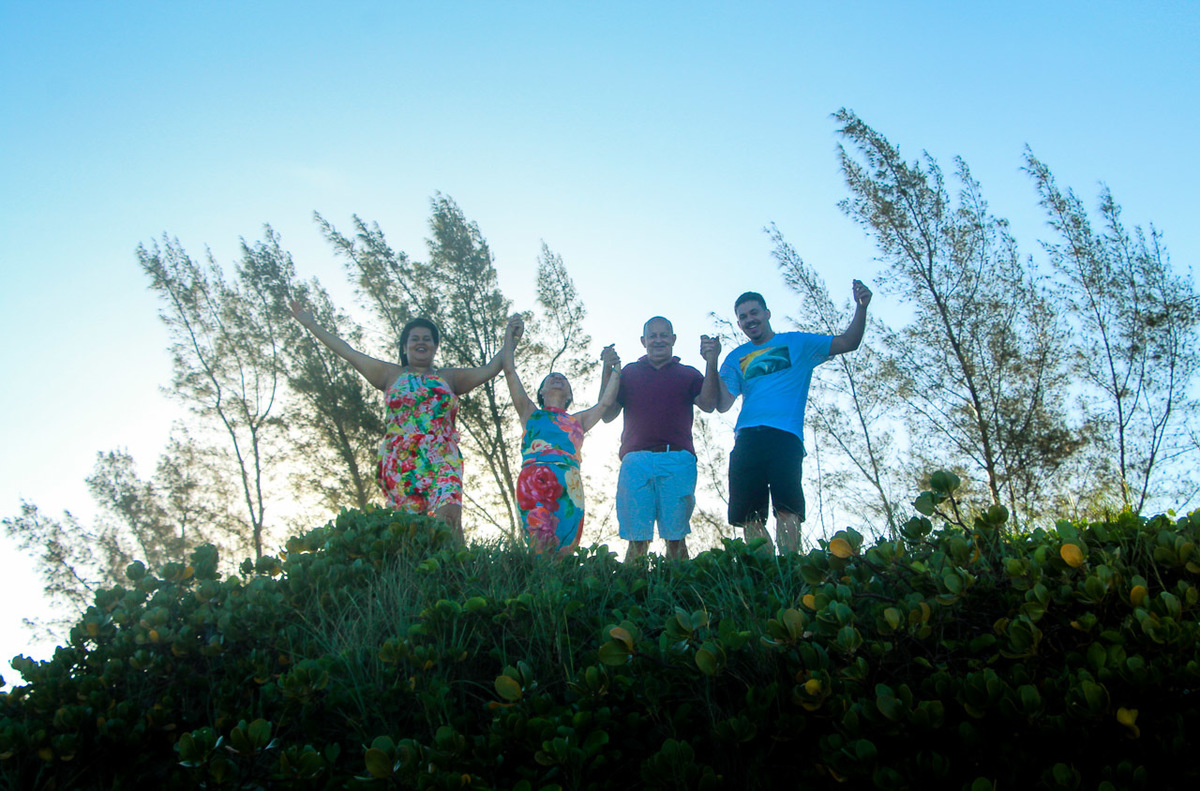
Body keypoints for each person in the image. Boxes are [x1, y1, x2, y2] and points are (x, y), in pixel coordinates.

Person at [290, 301, 513, 541]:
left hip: (442, 458)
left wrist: (511, 338)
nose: (420, 342)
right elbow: (349, 352)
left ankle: (459, 563)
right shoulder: (390, 374)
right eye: (414, 339)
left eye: (427, 339)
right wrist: (311, 325)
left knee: (449, 516)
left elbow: (491, 368)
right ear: (405, 347)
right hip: (402, 461)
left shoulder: (449, 378)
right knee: (410, 531)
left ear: (435, 346)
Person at [714, 281, 873, 553]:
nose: (750, 320)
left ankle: (790, 565)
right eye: (743, 317)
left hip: (785, 436)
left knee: (788, 509)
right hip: (747, 438)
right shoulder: (735, 357)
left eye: (754, 313)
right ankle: (765, 571)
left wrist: (862, 307)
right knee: (748, 515)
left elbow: (849, 342)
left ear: (767, 313)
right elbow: (723, 404)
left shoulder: (798, 343)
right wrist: (711, 360)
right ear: (739, 324)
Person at [599, 316, 723, 562]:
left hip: (677, 459)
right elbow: (607, 414)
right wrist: (608, 370)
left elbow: (709, 404)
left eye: (664, 335)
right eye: (652, 336)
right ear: (643, 341)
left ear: (673, 339)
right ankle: (634, 584)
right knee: (637, 539)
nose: (658, 340)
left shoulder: (688, 374)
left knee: (676, 538)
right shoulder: (629, 373)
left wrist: (712, 361)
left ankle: (678, 584)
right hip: (636, 461)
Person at [502, 314, 621, 555]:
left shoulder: (578, 421)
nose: (557, 379)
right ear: (541, 391)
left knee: (566, 545)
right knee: (538, 545)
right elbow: (510, 373)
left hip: (569, 483)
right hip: (533, 481)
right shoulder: (529, 413)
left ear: (569, 395)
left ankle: (563, 576)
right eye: (551, 378)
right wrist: (509, 339)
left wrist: (614, 368)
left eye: (563, 379)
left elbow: (606, 403)